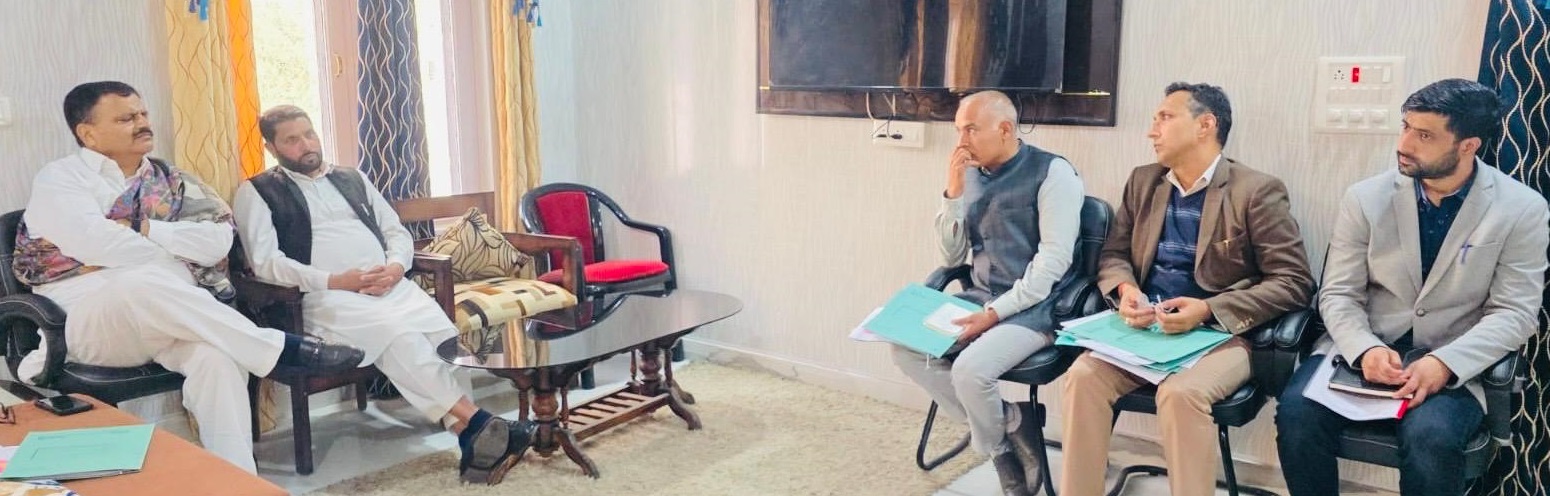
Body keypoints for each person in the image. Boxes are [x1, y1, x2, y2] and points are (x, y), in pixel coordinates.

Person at [13, 81, 365, 473]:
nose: (142, 123)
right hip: (90, 327)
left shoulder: (171, 180)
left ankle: (236, 481)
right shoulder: (60, 179)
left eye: (142, 114)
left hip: (170, 320)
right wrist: (172, 253)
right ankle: (281, 350)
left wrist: (146, 228)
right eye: (126, 118)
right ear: (88, 133)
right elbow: (98, 244)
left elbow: (217, 242)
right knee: (138, 282)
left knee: (218, 359)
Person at [234, 105, 537, 484]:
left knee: (444, 338)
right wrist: (335, 280)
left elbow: (395, 232)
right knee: (399, 338)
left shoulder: (351, 177)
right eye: (292, 140)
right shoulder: (257, 192)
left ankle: (472, 436)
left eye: (309, 134)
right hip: (325, 298)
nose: (306, 145)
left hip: (389, 286)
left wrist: (395, 267)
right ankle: (481, 424)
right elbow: (266, 264)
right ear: (271, 147)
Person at [1275, 78, 1548, 496]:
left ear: (1468, 145)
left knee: (1431, 438)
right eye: (1405, 127)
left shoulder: (1522, 209)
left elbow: (1515, 313)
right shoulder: (1365, 197)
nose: (1404, 144)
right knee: (1296, 416)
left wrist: (1445, 363)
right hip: (1364, 346)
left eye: (1424, 135)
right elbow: (1338, 292)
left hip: (1452, 356)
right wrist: (1364, 348)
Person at [1060, 82, 1314, 496]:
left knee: (1181, 394)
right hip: (1147, 330)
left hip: (1221, 336)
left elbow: (1294, 282)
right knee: (1083, 376)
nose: (1152, 130)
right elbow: (1114, 254)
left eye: (1164, 117)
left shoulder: (1255, 190)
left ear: (1205, 125)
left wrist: (1208, 309)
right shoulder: (1144, 181)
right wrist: (1126, 290)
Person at [891, 90, 1084, 496]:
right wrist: (953, 192)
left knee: (970, 371)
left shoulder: (1054, 173)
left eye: (971, 130)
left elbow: (1052, 265)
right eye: (958, 130)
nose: (961, 141)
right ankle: (1012, 424)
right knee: (905, 346)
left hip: (1039, 307)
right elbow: (951, 256)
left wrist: (995, 314)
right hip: (979, 296)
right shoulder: (971, 174)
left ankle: (999, 456)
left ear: (1006, 129)